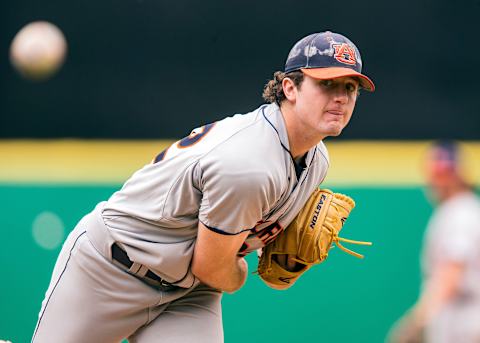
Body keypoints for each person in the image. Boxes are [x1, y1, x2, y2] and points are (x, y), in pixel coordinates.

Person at [32, 31, 375, 343]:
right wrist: (243, 272)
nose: (341, 97)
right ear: (290, 88)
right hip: (110, 270)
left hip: (189, 293)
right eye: (327, 84)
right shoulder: (249, 164)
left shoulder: (317, 160)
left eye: (350, 87)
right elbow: (212, 266)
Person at [387, 141, 480, 343]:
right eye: (436, 174)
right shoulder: (464, 209)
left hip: (464, 322)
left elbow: (452, 272)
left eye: (444, 174)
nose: (438, 181)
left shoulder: (459, 212)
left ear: (459, 176)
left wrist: (418, 320)